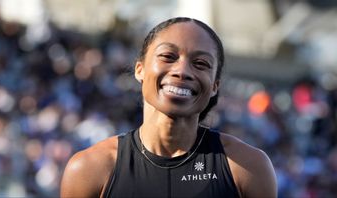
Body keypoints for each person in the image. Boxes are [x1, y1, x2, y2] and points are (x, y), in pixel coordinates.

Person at [60, 17, 277, 198]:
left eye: (201, 63)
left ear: (214, 86)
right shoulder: (90, 169)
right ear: (140, 69)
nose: (182, 71)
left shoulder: (247, 168)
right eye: (167, 56)